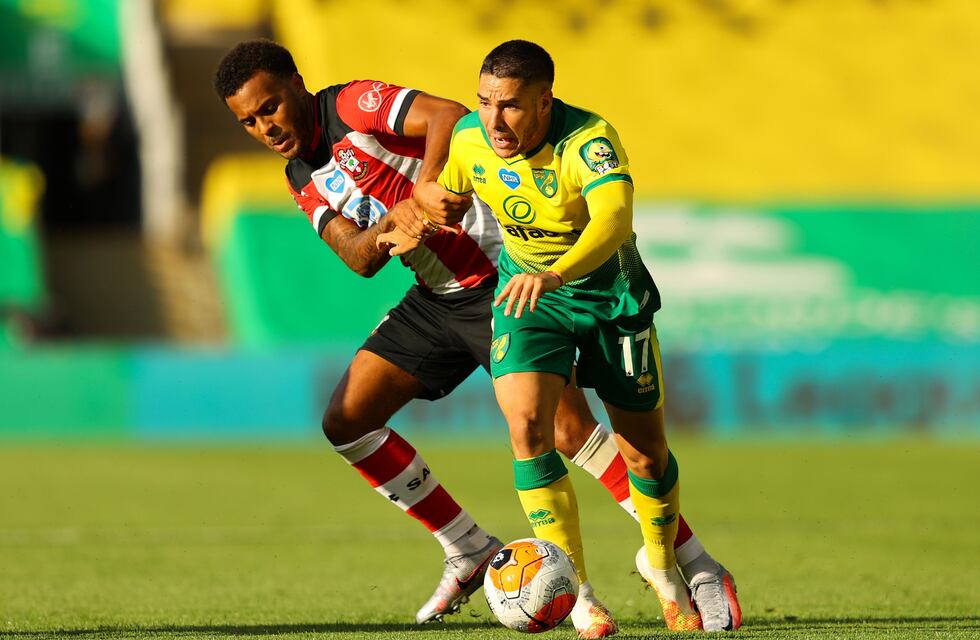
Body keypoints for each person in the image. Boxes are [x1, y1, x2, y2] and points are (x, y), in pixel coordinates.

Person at [214, 39, 737, 636]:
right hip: (436, 297)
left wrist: (424, 191)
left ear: (297, 86)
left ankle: (691, 564)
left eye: (271, 107)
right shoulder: (299, 174)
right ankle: (466, 548)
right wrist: (389, 229)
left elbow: (447, 115)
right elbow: (356, 257)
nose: (265, 126)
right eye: (249, 121)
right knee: (346, 418)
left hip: (498, 280)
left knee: (567, 431)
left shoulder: (355, 107)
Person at [382, 40, 742, 632]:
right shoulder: (471, 139)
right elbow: (445, 193)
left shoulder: (590, 141)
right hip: (529, 297)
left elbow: (613, 221)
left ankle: (661, 566)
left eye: (512, 106)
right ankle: (576, 592)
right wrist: (420, 214)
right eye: (485, 102)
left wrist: (556, 273)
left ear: (545, 101)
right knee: (528, 425)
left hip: (608, 298)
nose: (494, 120)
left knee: (644, 456)